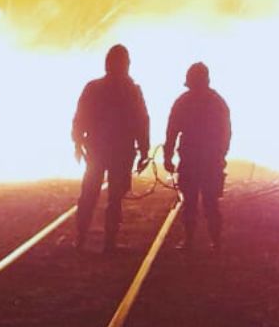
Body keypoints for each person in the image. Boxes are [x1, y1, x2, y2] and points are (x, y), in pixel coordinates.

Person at [71, 44, 150, 252]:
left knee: (89, 193)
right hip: (121, 151)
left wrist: (77, 143)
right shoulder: (132, 90)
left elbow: (80, 118)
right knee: (115, 198)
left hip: (96, 149)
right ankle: (110, 242)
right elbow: (142, 121)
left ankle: (81, 237)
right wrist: (144, 150)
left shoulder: (93, 87)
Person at [163, 62, 231, 251]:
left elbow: (172, 131)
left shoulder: (183, 101)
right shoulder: (217, 102)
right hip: (210, 161)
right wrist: (220, 155)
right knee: (210, 202)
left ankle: (190, 240)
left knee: (190, 201)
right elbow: (226, 132)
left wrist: (168, 156)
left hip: (191, 159)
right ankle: (215, 242)